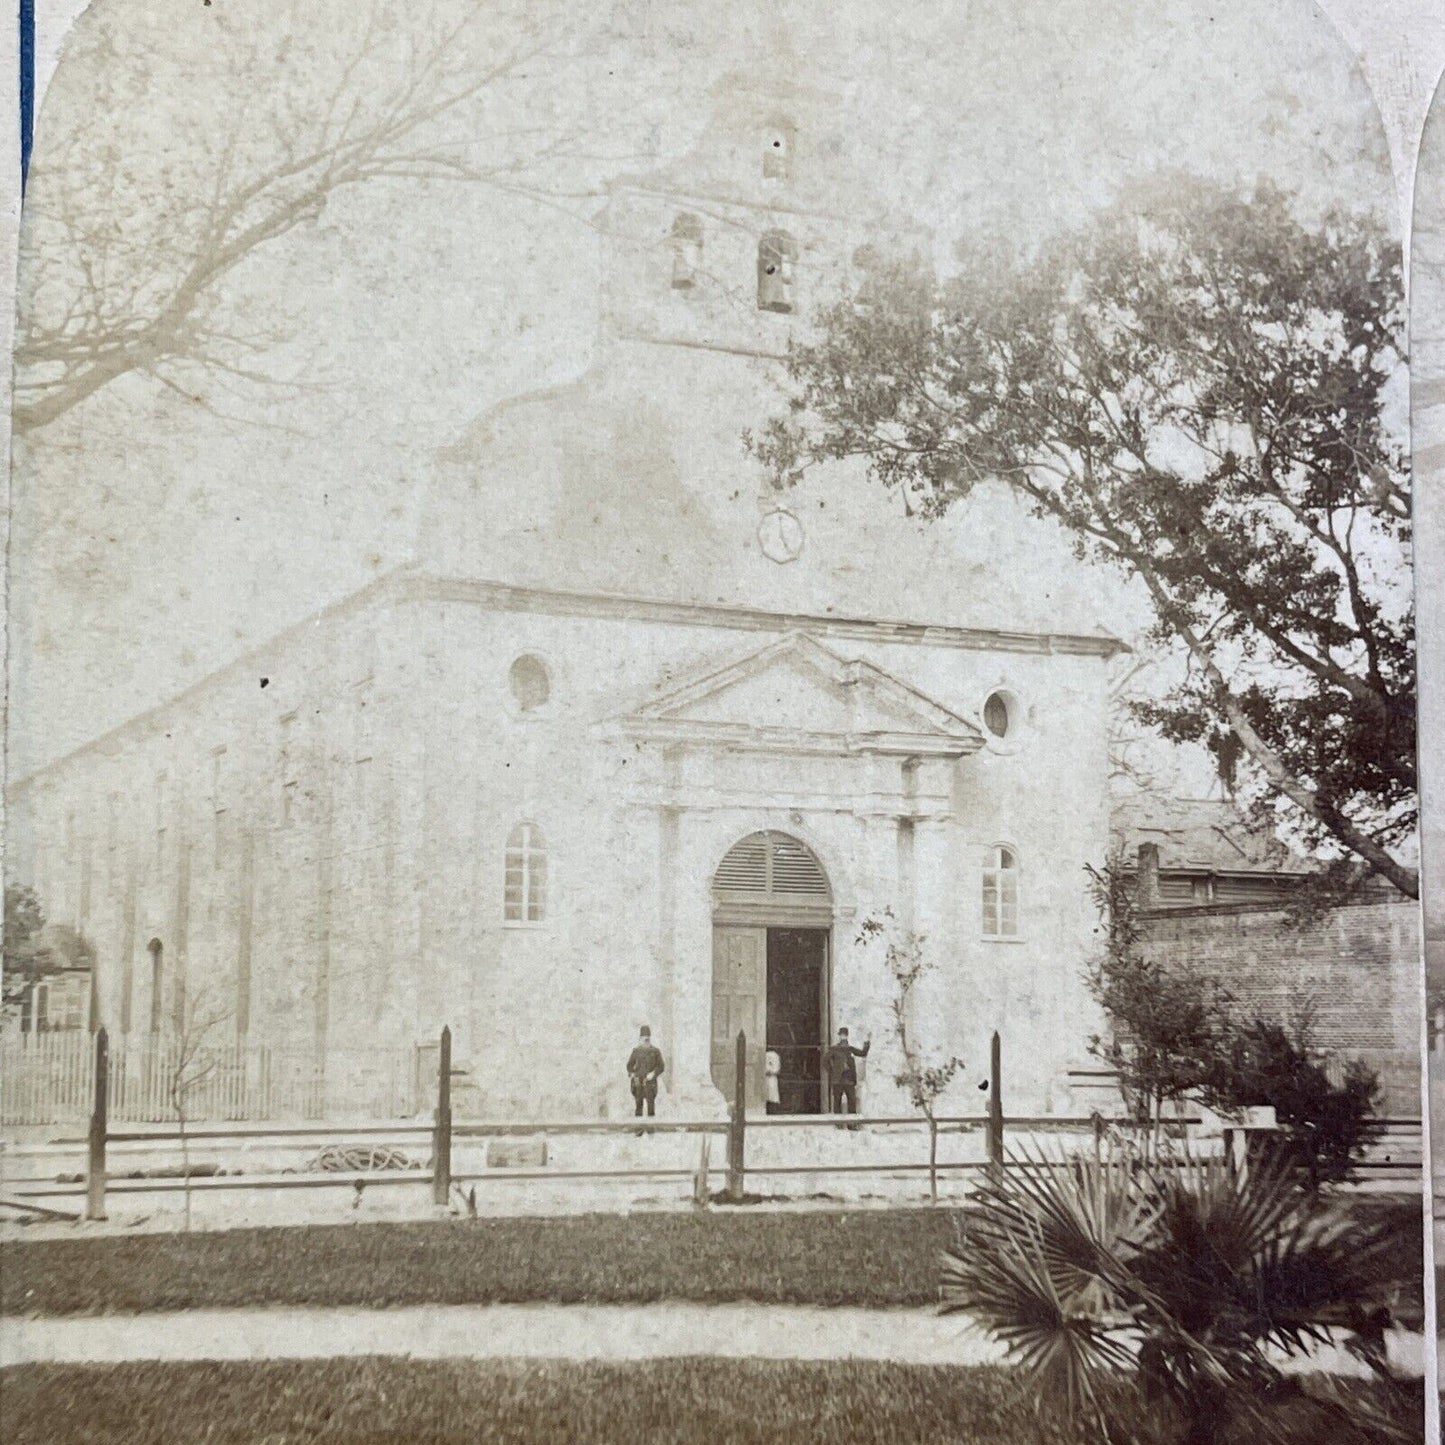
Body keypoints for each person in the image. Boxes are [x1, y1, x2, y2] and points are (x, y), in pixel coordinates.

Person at [824, 1027, 870, 1121]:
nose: (843, 1037)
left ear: (847, 1036)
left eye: (845, 1035)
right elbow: (825, 1061)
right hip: (838, 1079)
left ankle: (852, 1124)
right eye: (842, 1035)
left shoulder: (850, 1049)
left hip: (849, 1079)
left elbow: (862, 1053)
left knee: (852, 1101)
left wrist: (867, 1042)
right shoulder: (834, 1049)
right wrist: (832, 1072)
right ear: (839, 1036)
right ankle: (838, 1123)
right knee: (837, 1101)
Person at [626, 1026, 665, 1119]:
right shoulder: (636, 1051)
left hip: (650, 1084)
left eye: (648, 1038)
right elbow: (629, 1066)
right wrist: (632, 1074)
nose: (646, 1040)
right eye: (644, 1038)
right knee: (638, 1107)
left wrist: (653, 1074)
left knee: (651, 1107)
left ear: (650, 1038)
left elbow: (661, 1066)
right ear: (640, 1038)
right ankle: (638, 1131)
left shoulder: (655, 1051)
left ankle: (651, 1132)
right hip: (638, 1083)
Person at [764, 1048, 782, 1114]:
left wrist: (770, 1071)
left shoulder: (774, 1055)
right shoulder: (767, 1055)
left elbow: (777, 1069)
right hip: (765, 1079)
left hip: (771, 1079)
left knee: (771, 1094)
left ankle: (772, 1110)